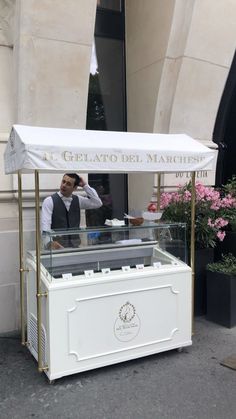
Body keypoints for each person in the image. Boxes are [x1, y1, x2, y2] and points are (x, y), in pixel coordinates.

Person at [41, 173, 102, 249]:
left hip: (75, 248)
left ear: (75, 188)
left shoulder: (78, 200)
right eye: (63, 181)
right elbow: (45, 227)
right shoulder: (49, 201)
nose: (64, 185)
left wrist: (85, 185)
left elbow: (97, 203)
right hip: (56, 250)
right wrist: (49, 244)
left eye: (68, 184)